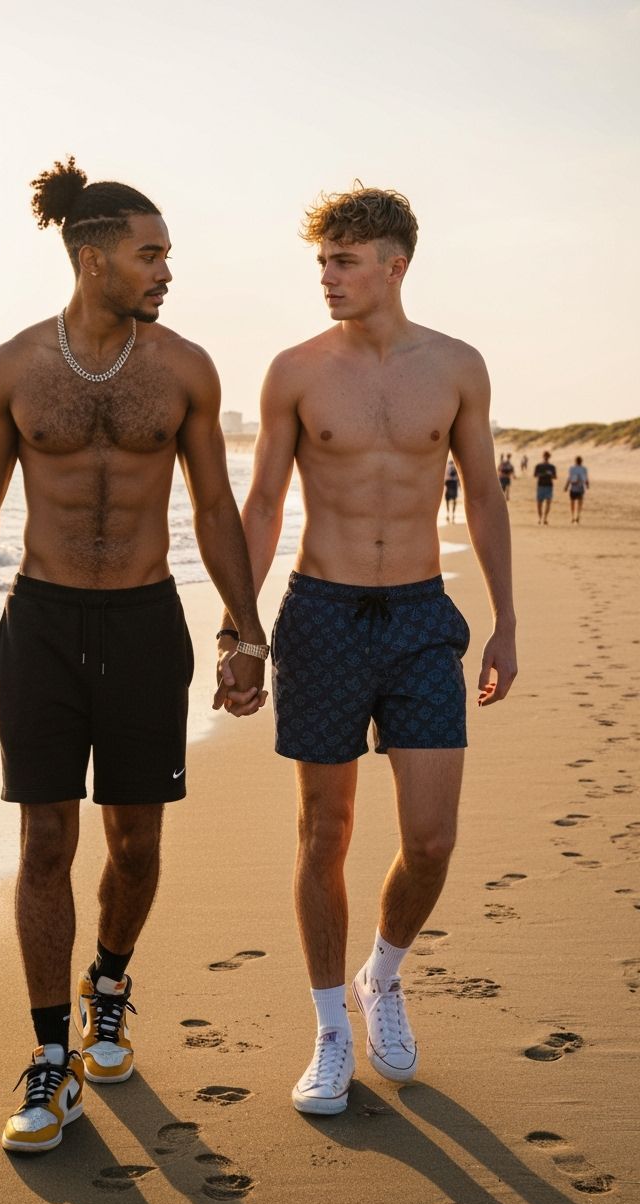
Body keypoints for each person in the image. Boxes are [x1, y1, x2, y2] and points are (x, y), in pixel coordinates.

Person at [0, 156, 267, 1155]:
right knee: (42, 843)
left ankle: (107, 982)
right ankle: (47, 1055)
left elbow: (207, 505)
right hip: (43, 627)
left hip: (146, 623)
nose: (164, 270)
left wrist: (245, 628)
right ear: (92, 255)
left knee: (136, 844)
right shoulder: (12, 367)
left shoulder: (185, 368)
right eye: (149, 253)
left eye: (165, 255)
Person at [221, 184, 516, 1115]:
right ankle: (329, 1030)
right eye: (321, 262)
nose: (327, 278)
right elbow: (263, 503)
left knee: (430, 839)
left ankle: (380, 976)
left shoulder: (458, 367)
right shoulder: (296, 372)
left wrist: (506, 620)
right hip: (323, 613)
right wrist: (242, 623)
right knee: (326, 832)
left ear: (396, 264)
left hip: (424, 615)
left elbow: (485, 495)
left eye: (344, 261)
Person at [565, 454, 589, 523]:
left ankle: (574, 516)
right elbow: (586, 478)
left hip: (575, 487)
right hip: (579, 487)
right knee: (579, 503)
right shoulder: (582, 468)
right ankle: (577, 515)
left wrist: (566, 486)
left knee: (574, 503)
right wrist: (587, 485)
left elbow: (569, 478)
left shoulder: (573, 468)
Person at [533, 450, 557, 524]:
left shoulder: (552, 467)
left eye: (547, 456)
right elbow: (535, 475)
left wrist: (550, 474)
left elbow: (555, 477)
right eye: (545, 456)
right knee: (539, 503)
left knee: (548, 503)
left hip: (548, 485)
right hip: (541, 485)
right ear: (543, 457)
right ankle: (540, 518)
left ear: (548, 457)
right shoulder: (538, 466)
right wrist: (543, 474)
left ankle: (545, 518)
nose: (546, 457)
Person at [443, 457, 460, 522]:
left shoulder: (446, 466)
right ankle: (453, 514)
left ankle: (448, 514)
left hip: (448, 483)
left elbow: (444, 477)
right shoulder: (455, 466)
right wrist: (459, 486)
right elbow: (458, 477)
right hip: (454, 484)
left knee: (447, 500)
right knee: (454, 500)